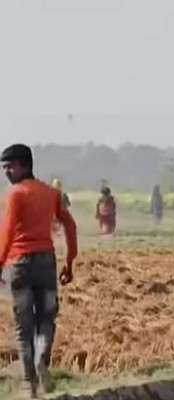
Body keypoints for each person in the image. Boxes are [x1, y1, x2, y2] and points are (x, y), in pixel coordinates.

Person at [0, 144, 77, 398]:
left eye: (9, 166)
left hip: (19, 265)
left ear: (24, 165)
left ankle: (28, 384)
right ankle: (42, 362)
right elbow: (69, 223)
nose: (6, 172)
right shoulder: (50, 193)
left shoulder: (15, 194)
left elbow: (8, 232)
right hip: (45, 263)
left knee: (24, 326)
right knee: (46, 318)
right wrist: (70, 259)